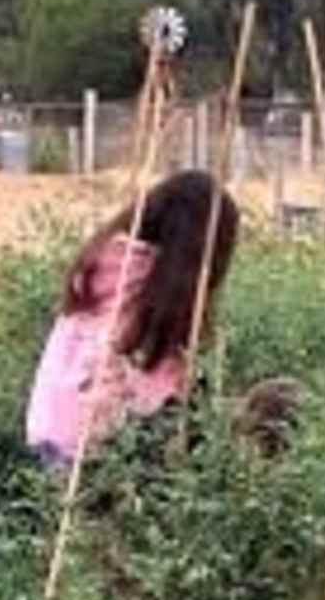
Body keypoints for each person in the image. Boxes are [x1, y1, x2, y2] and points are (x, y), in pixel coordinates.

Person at [26, 167, 248, 472]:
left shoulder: (104, 258)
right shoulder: (159, 287)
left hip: (47, 431)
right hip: (90, 453)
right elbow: (163, 389)